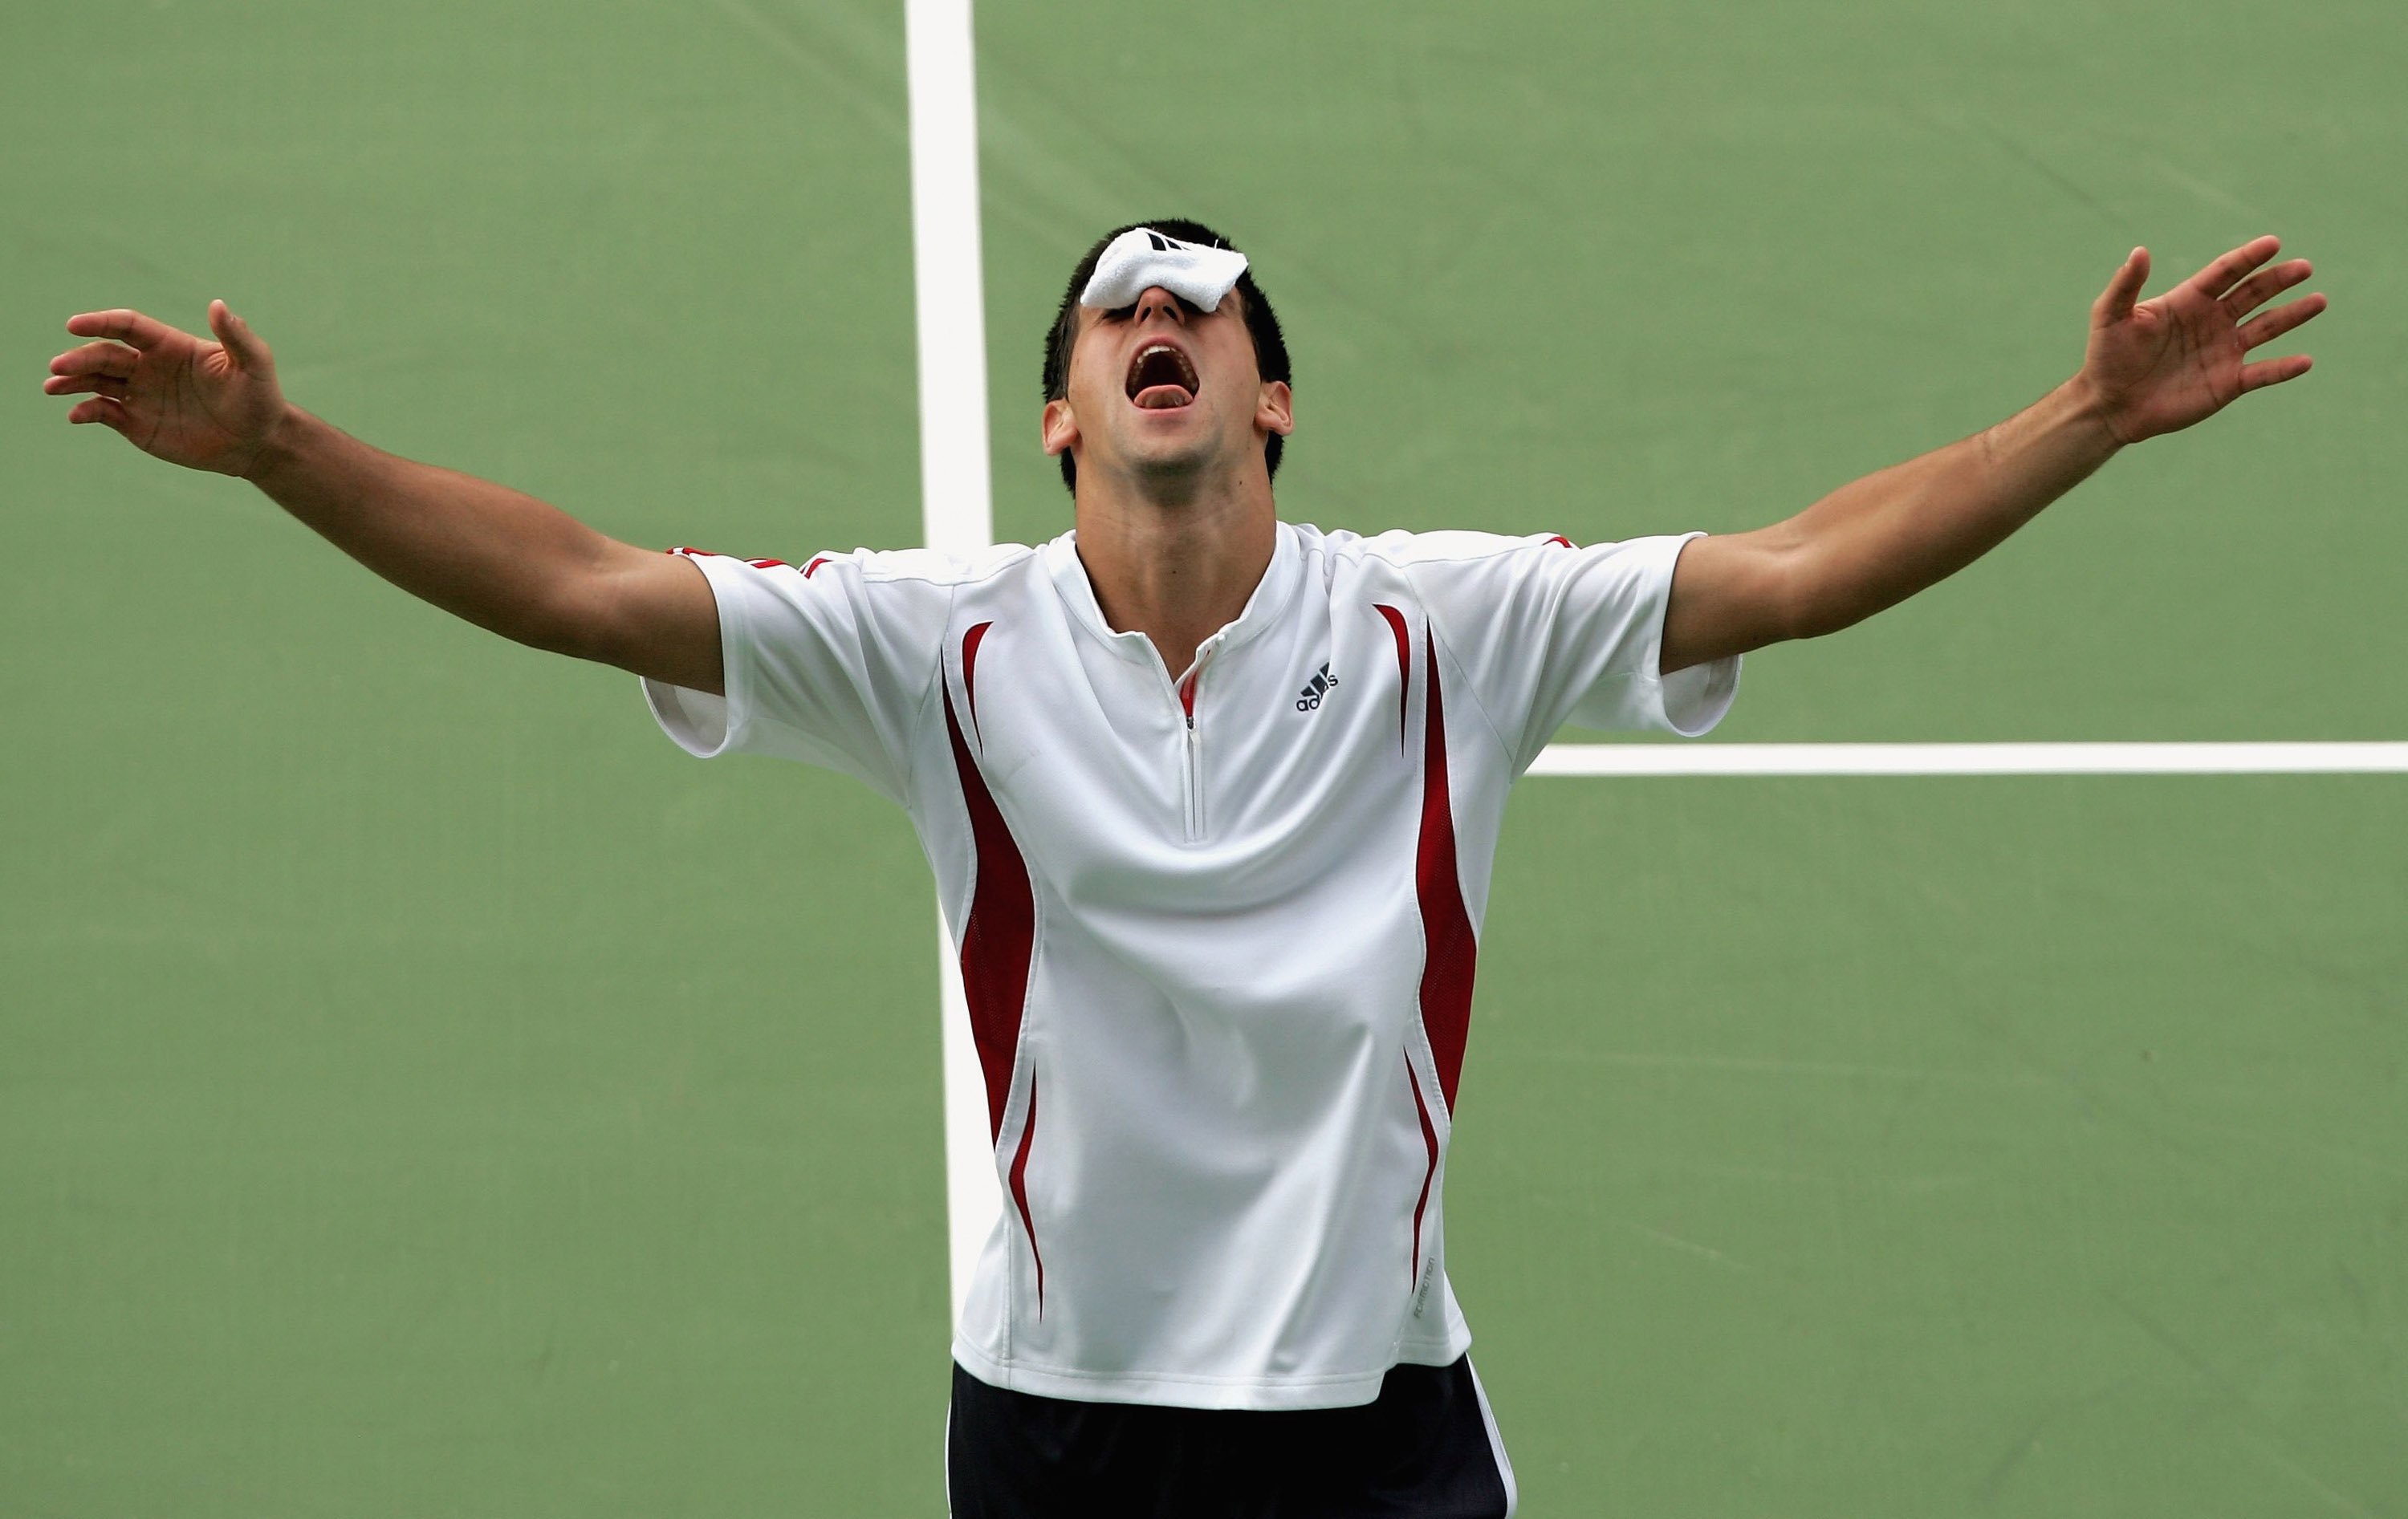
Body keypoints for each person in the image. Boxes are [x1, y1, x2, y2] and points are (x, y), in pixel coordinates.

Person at [45, 219, 2323, 1517]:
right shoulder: (933, 647)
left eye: (1199, 303)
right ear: (1063, 412)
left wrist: (2088, 421)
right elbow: (577, 587)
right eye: (1115, 310)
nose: (1154, 314)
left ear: (1267, 398)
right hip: (1060, 1422)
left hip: (1374, 1422)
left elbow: (1801, 570)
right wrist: (277, 452)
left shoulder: (1451, 622)